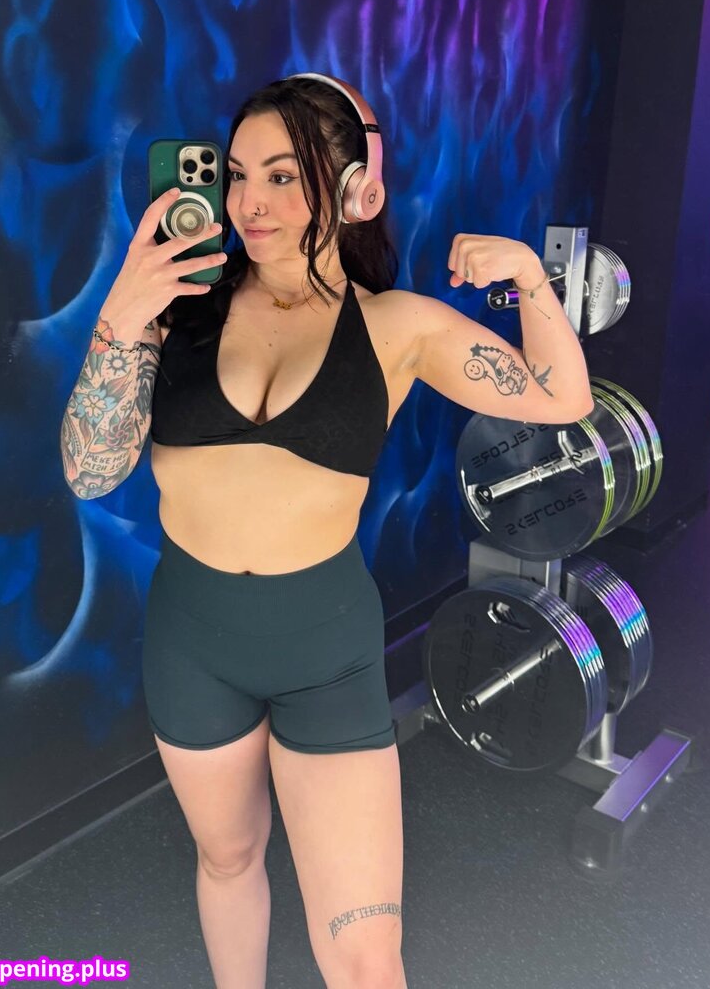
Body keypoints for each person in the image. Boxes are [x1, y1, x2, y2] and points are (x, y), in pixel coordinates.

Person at [60, 74, 594, 989]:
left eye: (282, 176)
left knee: (365, 960)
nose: (249, 203)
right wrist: (122, 311)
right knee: (229, 859)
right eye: (237, 175)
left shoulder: (397, 327)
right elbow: (89, 471)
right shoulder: (178, 307)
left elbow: (562, 398)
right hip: (194, 643)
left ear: (354, 190)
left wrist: (526, 277)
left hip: (326, 651)